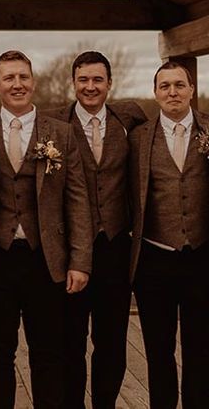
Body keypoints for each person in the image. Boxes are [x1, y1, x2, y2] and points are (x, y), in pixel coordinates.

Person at [0, 50, 92, 409]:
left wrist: (80, 261)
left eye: (23, 77)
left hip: (47, 259)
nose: (17, 84)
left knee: (48, 352)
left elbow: (77, 200)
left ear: (34, 82)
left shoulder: (62, 133)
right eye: (9, 78)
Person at [45, 51, 146, 409]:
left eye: (97, 80)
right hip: (72, 249)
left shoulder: (129, 118)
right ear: (73, 83)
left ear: (109, 84)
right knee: (70, 339)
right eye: (83, 80)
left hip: (115, 247)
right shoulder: (52, 123)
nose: (90, 87)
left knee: (112, 339)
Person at [128, 61, 209, 409]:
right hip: (154, 259)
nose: (172, 92)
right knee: (158, 349)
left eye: (179, 85)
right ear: (155, 92)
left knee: (201, 349)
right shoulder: (137, 137)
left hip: (203, 256)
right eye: (165, 86)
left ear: (192, 89)